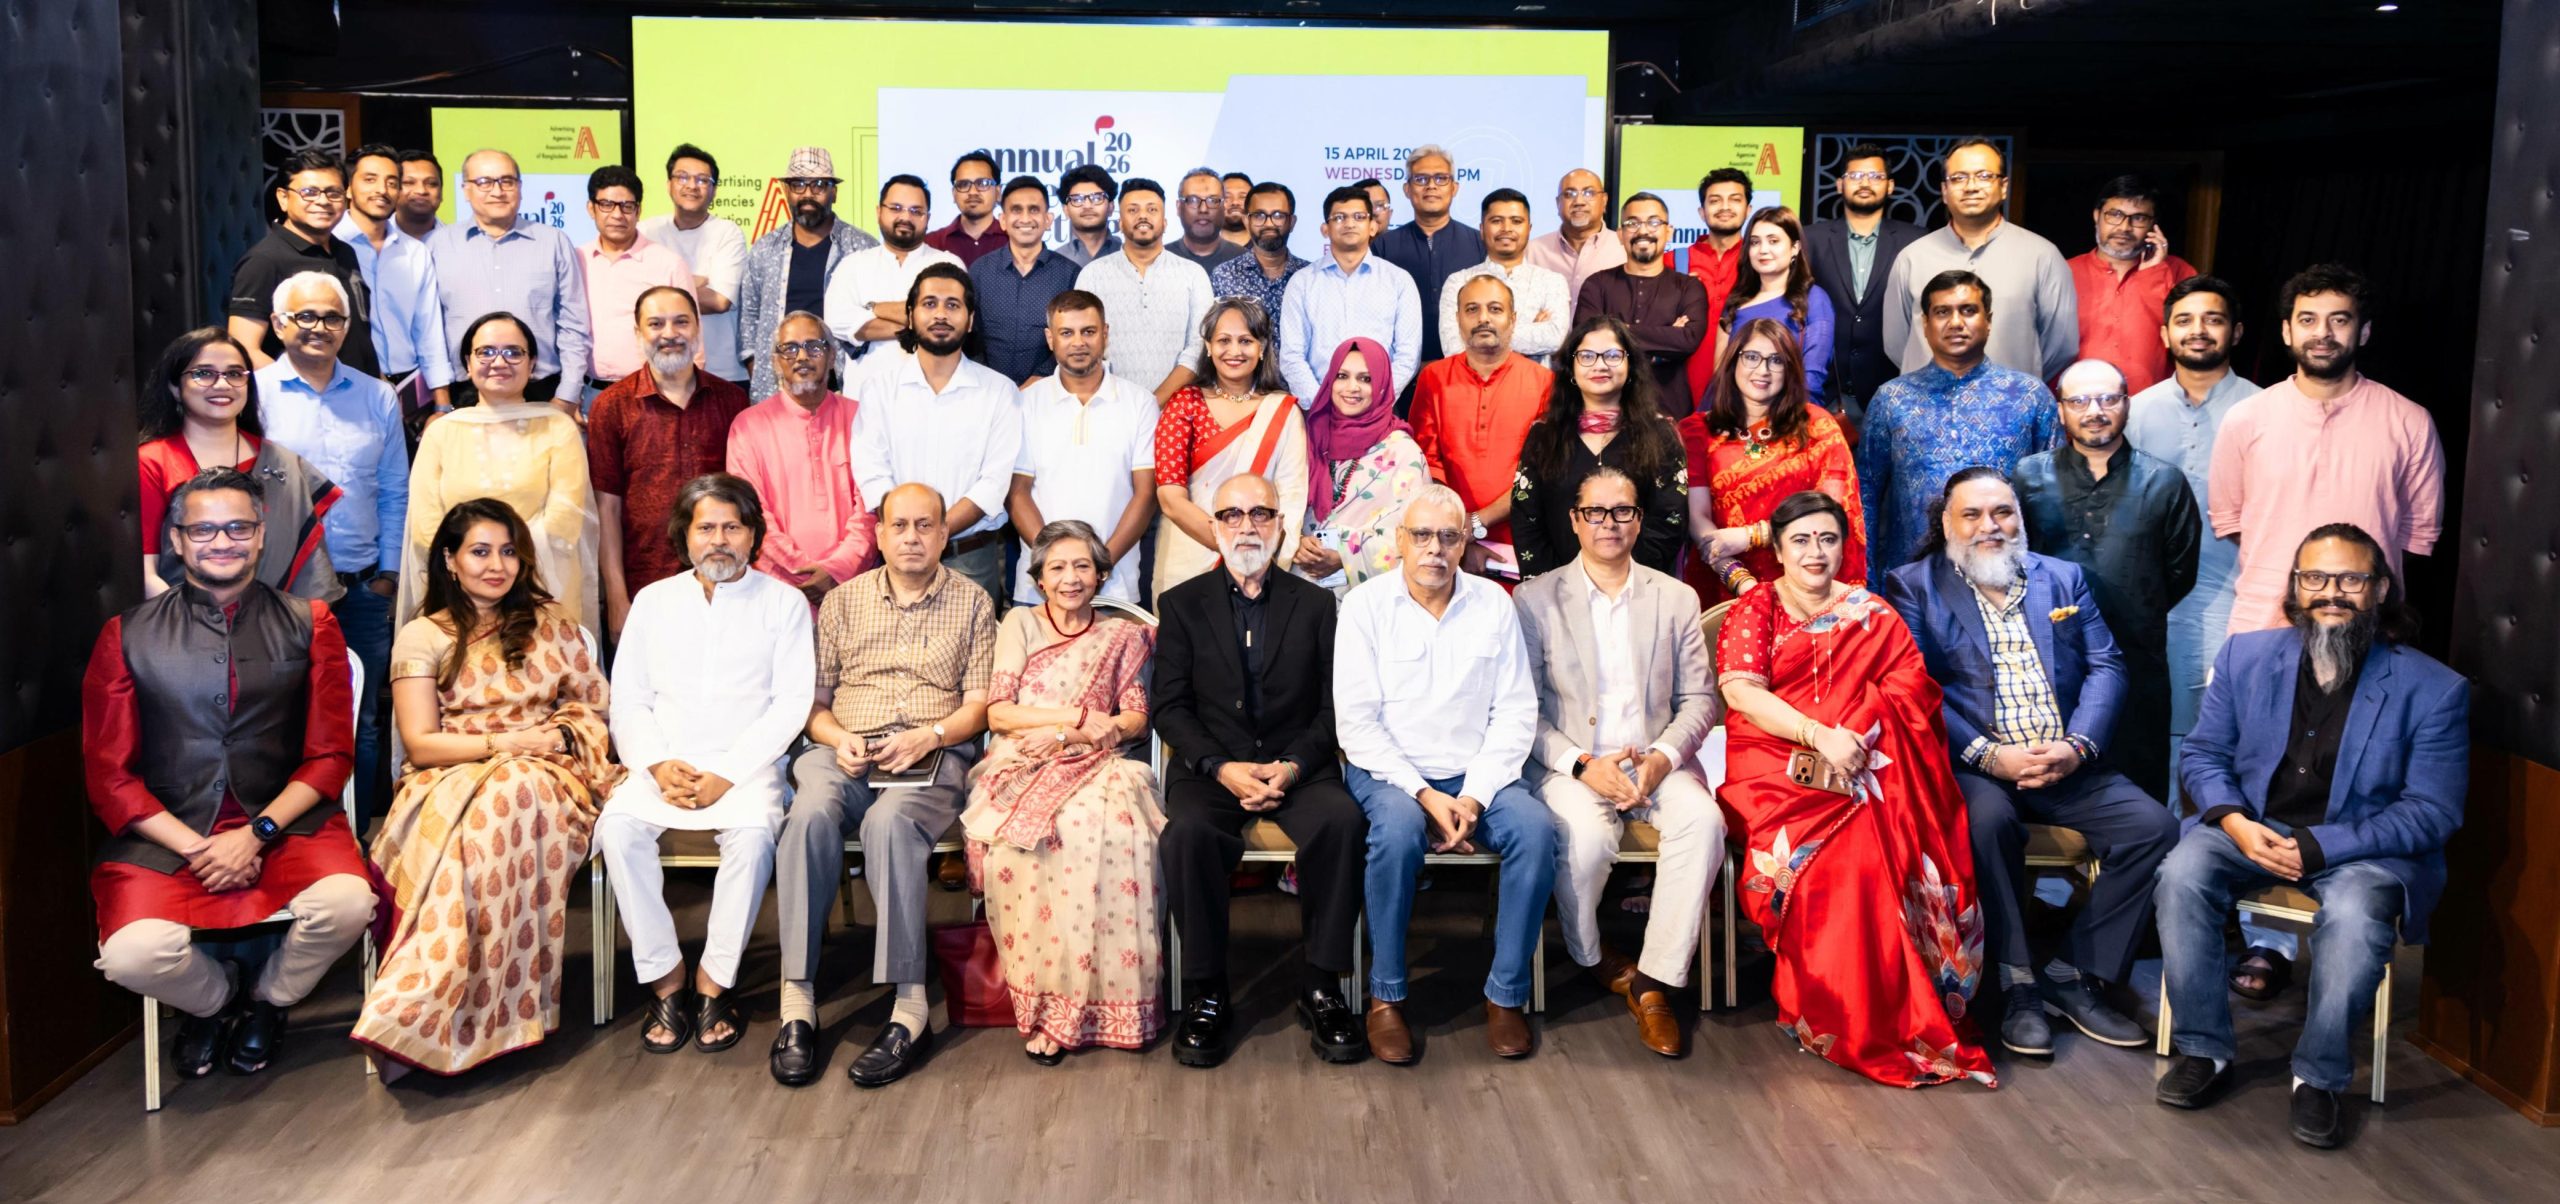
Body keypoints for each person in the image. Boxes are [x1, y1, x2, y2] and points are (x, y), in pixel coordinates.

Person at [2153, 523, 2467, 1148]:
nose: (2332, 592)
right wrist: (2235, 822)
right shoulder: (2245, 656)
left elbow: (2432, 811)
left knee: (2354, 916)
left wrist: (2322, 847)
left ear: (2380, 589)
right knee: (2181, 874)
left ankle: (2318, 1076)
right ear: (2296, 587)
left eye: (2350, 579)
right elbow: (2204, 755)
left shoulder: (2434, 689)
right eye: (2316, 578)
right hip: (2251, 826)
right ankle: (2204, 1049)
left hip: (2361, 849)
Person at [83, 467, 375, 1080]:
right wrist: (197, 848)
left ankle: (269, 998)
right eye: (204, 530)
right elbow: (111, 776)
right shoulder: (127, 635)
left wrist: (257, 833)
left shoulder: (310, 621)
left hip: (285, 825)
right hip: (170, 833)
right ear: (178, 539)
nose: (222, 541)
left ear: (261, 535)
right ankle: (217, 1002)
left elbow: (329, 756)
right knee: (131, 956)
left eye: (238, 527)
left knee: (349, 906)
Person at [1884, 467, 2177, 1059]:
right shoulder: (1913, 584)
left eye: (2002, 513)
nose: (1989, 526)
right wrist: (1991, 756)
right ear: (1946, 523)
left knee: (2156, 828)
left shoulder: (2063, 579)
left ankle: (2073, 972)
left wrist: (2078, 747)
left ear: (2019, 518)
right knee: (1986, 823)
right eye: (1972, 515)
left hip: (2065, 760)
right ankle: (2016, 982)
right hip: (1977, 765)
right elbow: (1911, 686)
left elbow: (2108, 666)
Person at [1713, 489, 1995, 1088]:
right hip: (1773, 768)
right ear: (1778, 550)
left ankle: (1893, 1018)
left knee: (1878, 843)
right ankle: (1834, 1012)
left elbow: (1911, 689)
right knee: (1839, 860)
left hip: (1868, 761)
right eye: (1800, 540)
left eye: (1827, 539)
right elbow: (1741, 694)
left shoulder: (1873, 612)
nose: (1815, 552)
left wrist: (1859, 732)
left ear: (1844, 546)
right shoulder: (1757, 607)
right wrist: (1819, 735)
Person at [358, 498, 623, 1077]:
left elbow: (592, 711)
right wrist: (507, 744)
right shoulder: (422, 636)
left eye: (508, 552)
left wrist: (551, 738)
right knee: (492, 807)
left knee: (511, 792)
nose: (496, 565)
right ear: (449, 560)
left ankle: (450, 1013)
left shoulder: (552, 624)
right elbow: (421, 744)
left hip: (549, 776)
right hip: (448, 776)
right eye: (480, 552)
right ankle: (427, 1006)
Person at [769, 484, 996, 1089]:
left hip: (931, 752)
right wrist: (837, 735)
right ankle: (797, 999)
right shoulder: (843, 602)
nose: (912, 538)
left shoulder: (974, 602)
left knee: (889, 824)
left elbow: (979, 707)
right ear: (879, 535)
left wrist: (931, 735)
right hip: (846, 750)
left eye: (925, 526)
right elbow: (814, 706)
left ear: (944, 535)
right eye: (900, 525)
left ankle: (909, 1006)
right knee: (808, 814)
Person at [1335, 485, 1557, 1064]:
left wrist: (1475, 796)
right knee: (1395, 834)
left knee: (1536, 833)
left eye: (1449, 536)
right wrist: (1425, 794)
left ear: (1464, 543)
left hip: (1479, 773)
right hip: (1391, 775)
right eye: (1422, 535)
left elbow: (1515, 712)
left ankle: (1505, 993)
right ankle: (1386, 996)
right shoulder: (1364, 607)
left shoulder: (1494, 605)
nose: (1435, 548)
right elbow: (1356, 725)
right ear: (1400, 541)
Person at [1157, 474, 1370, 1067]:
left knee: (1343, 824)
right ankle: (1206, 993)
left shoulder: (1317, 604)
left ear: (1281, 525)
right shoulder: (1181, 604)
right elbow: (1169, 708)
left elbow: (1335, 706)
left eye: (1260, 514)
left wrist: (1294, 766)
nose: (1246, 526)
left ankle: (1322, 986)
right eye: (1232, 514)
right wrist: (1221, 767)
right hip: (1213, 769)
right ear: (1214, 526)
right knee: (1187, 835)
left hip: (1297, 765)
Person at [595, 475, 811, 1054]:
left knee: (753, 836)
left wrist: (728, 774)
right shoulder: (653, 601)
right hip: (663, 762)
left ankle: (715, 979)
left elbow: (791, 705)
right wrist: (656, 763)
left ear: (753, 535)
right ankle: (665, 976)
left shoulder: (784, 603)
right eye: (706, 527)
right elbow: (629, 700)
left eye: (732, 527)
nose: (719, 540)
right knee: (618, 829)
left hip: (747, 766)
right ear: (684, 536)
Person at [1515, 466, 1724, 1057]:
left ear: (1639, 520)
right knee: (1584, 839)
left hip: (1656, 759)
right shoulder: (1534, 599)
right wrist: (1583, 765)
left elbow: (1700, 699)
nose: (1609, 523)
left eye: (1623, 511)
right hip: (1572, 764)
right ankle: (1590, 955)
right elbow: (1522, 709)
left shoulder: (1676, 597)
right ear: (1575, 520)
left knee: (1703, 823)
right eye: (1595, 512)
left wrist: (1663, 757)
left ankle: (1654, 982)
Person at [961, 519, 1164, 1062]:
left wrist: (1086, 734)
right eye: (1057, 568)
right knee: (1032, 839)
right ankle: (1051, 1006)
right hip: (1021, 760)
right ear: (1039, 580)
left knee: (1116, 828)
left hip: (1097, 760)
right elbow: (1000, 714)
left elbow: (1136, 719)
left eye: (1082, 566)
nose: (1070, 578)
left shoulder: (1122, 635)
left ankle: (1114, 1005)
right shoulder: (1020, 624)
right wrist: (1072, 720)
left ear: (1101, 576)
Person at [2208, 263, 2444, 639]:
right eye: (2308, 320)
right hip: (2263, 624)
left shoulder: (2409, 421)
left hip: (2367, 630)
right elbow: (2235, 522)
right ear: (2287, 331)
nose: (2322, 333)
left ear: (2363, 331)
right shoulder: (2245, 419)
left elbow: (2415, 536)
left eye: (2339, 320)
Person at [256, 272, 410, 818]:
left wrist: (388, 574)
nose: (319, 327)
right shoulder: (253, 393)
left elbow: (395, 490)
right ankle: (287, 837)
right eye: (305, 316)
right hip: (280, 593)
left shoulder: (377, 395)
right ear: (278, 324)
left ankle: (354, 837)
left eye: (332, 317)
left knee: (360, 720)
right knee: (278, 719)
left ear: (347, 326)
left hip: (362, 589)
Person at [2015, 359, 2201, 802]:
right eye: (2079, 401)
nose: (2094, 411)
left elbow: (2180, 572)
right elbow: (2016, 562)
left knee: (2140, 792)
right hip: (2050, 661)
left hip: (2137, 656)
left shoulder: (2165, 482)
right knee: (2051, 788)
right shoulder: (2028, 476)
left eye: (2107, 399)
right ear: (2061, 410)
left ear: (2127, 404)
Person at [2126, 275, 2257, 801]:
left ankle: (2218, 834)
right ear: (2164, 334)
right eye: (2184, 320)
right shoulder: (2134, 412)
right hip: (2152, 602)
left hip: (2240, 597)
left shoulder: (2266, 410)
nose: (2198, 330)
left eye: (2213, 319)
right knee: (2151, 727)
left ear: (2236, 332)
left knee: (2227, 731)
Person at [398, 312, 600, 634]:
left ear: (532, 364)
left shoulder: (557, 427)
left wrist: (502, 568)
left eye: (513, 352)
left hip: (542, 592)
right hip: (458, 598)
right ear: (468, 363)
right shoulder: (441, 432)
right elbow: (426, 527)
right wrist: (474, 577)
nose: (499, 361)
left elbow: (565, 520)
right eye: (486, 352)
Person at [1857, 270, 2060, 569]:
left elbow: (2052, 498)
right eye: (1942, 312)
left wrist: (2047, 576)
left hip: (2007, 571)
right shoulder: (1892, 399)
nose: (1955, 322)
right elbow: (1866, 496)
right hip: (1913, 575)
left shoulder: (2029, 395)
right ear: (1925, 324)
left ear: (1988, 321)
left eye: (1968, 311)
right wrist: (1869, 580)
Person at [848, 263, 1023, 605]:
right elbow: (872, 472)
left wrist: (933, 534)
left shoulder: (1000, 392)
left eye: (952, 305)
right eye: (929, 304)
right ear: (910, 316)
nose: (940, 314)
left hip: (971, 560)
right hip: (899, 557)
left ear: (970, 321)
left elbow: (994, 483)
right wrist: (912, 534)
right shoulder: (879, 390)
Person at [589, 287, 754, 640]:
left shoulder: (732, 401)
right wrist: (616, 597)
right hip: (643, 586)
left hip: (724, 582)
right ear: (638, 333)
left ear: (697, 329)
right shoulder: (612, 406)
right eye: (656, 324)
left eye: (681, 322)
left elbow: (746, 502)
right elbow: (606, 508)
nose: (670, 334)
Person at [136, 328, 343, 604]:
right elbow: (146, 573)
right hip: (184, 621)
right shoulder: (153, 462)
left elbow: (310, 571)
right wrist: (195, 623)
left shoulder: (282, 462)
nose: (222, 384)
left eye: (234, 374)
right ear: (175, 388)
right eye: (204, 373)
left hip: (280, 622)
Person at [1678, 318, 1866, 602]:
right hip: (1723, 579)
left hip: (1805, 582)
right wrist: (1740, 581)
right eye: (1752, 357)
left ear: (1790, 369)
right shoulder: (1699, 431)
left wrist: (1751, 536)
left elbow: (1833, 513)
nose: (1762, 370)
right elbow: (1698, 517)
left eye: (1776, 360)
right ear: (1734, 360)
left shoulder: (1817, 427)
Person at [1008, 289, 1158, 606]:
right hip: (1039, 589)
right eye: (1067, 333)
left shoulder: (1139, 402)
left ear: (1105, 334)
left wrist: (1099, 567)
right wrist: (1055, 567)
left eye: (1088, 331)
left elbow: (1145, 495)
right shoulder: (1025, 402)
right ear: (1050, 338)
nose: (1078, 342)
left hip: (1115, 588)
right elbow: (1017, 493)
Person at [1882, 139, 2078, 382]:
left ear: (2003, 187)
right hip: (1926, 402)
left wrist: (2015, 386)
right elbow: (1896, 344)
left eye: (1984, 176)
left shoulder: (2042, 256)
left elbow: (2061, 346)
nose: (1971, 187)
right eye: (1959, 178)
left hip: (2010, 402)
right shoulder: (1912, 257)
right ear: (1944, 191)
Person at [1152, 297, 1310, 597]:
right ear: (1208, 347)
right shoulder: (1185, 404)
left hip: (1260, 564)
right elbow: (1170, 499)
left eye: (1246, 341)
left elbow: (1291, 494)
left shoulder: (1282, 410)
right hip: (1188, 559)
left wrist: (1254, 553)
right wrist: (1234, 545)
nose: (1234, 351)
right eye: (1224, 340)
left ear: (1262, 348)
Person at [1509, 315, 1687, 579]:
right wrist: (1554, 589)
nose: (1600, 365)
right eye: (1587, 356)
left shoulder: (1660, 435)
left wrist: (1619, 583)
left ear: (1630, 366)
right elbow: (1527, 522)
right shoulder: (1543, 437)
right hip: (1557, 593)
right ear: (1571, 368)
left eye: (1613, 355)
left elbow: (1669, 521)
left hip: (1638, 589)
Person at [726, 311, 876, 603]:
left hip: (856, 588)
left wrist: (837, 569)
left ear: (832, 357)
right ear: (775, 361)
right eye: (790, 348)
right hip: (775, 592)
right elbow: (751, 513)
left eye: (814, 347)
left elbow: (872, 507)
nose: (802, 357)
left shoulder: (862, 417)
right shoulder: (748, 427)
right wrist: (802, 574)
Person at [425, 149, 590, 410]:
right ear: (465, 189)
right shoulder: (439, 245)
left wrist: (567, 394)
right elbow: (428, 330)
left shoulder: (553, 242)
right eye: (484, 182)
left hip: (541, 390)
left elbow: (574, 325)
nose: (497, 191)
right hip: (465, 393)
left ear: (520, 187)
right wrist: (442, 400)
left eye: (507, 181)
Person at [1411, 274, 1551, 577]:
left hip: (1522, 539)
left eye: (1495, 309)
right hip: (1446, 543)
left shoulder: (1543, 382)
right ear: (1458, 319)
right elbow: (1425, 465)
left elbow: (1542, 473)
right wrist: (1456, 532)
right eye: (1472, 309)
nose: (1483, 318)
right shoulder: (1434, 378)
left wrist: (1476, 524)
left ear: (1513, 319)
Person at [736, 147, 881, 400]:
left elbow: (876, 314)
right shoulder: (765, 248)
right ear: (786, 191)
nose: (807, 194)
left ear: (834, 193)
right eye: (798, 185)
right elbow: (749, 314)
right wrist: (757, 369)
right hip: (778, 389)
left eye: (819, 185)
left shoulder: (862, 247)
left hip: (844, 386)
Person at [226, 149, 379, 376]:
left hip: (359, 391)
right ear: (283, 198)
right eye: (309, 192)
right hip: (307, 396)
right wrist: (302, 390)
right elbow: (244, 349)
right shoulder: (264, 260)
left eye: (333, 193)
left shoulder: (345, 252)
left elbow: (359, 336)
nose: (323, 201)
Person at [1803, 144, 1924, 429]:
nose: (1865, 183)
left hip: (1893, 389)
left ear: (1890, 186)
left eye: (1875, 176)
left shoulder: (1915, 241)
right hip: (1826, 392)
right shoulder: (1811, 239)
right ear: (1839, 184)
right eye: (1855, 176)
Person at [1292, 337, 1428, 589]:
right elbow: (1280, 505)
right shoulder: (1307, 438)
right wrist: (1294, 541)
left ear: (1382, 385)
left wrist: (1346, 557)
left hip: (1368, 596)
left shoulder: (1403, 452)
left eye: (1366, 379)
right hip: (1301, 587)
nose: (1352, 387)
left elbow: (1417, 535)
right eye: (1342, 376)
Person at [1074, 178, 1215, 404]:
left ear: (1165, 222)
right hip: (1110, 407)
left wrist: (1154, 402)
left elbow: (1200, 347)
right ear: (1120, 223)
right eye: (1133, 210)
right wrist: (1122, 406)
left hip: (1178, 409)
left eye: (1152, 209)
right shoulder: (1092, 275)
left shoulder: (1193, 274)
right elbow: (1084, 346)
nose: (1143, 216)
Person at [1279, 185, 1423, 405]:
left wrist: (1375, 401)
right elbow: (1292, 356)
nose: (1349, 223)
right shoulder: (1302, 282)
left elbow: (1408, 356)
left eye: (1359, 217)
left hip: (1379, 410)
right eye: (1339, 217)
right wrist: (1322, 404)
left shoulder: (1399, 281)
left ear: (1373, 227)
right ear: (1325, 229)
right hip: (1319, 410)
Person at [335, 143, 454, 405]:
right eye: (370, 179)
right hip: (345, 385)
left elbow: (429, 332)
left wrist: (442, 402)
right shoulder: (330, 245)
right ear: (348, 188)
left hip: (411, 388)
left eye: (392, 183)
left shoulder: (415, 252)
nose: (382, 189)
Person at [1573, 193, 1709, 417]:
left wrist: (1618, 331)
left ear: (1669, 232)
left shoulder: (1689, 287)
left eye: (1654, 222)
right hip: (1606, 413)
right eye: (1632, 223)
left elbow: (1688, 340)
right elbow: (1586, 341)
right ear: (1620, 235)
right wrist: (1665, 339)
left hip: (1669, 412)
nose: (1643, 231)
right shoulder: (1597, 284)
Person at [2067, 175, 2197, 395]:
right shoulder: (2065, 271)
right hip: (2079, 403)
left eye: (2138, 218)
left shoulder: (2179, 272)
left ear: (2153, 224)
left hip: (2154, 403)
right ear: (2097, 215)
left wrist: (2153, 275)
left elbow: (2191, 342)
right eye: (2115, 215)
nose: (2124, 227)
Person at [580, 165, 698, 394]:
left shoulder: (668, 264)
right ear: (591, 208)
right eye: (606, 205)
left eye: (627, 206)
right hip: (589, 391)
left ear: (638, 210)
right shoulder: (576, 260)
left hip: (653, 393)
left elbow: (693, 337)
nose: (617, 215)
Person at [639, 143, 750, 384]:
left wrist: (660, 290)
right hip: (660, 371)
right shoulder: (646, 231)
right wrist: (697, 281)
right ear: (669, 184)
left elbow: (719, 301)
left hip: (721, 371)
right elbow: (636, 296)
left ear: (714, 190)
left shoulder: (727, 232)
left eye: (702, 180)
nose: (691, 185)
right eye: (682, 177)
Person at [826, 174, 964, 361]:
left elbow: (955, 321)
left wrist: (873, 308)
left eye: (916, 211)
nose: (905, 217)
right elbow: (836, 321)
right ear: (878, 212)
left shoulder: (949, 265)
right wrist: (918, 328)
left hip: (933, 379)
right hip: (868, 380)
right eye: (896, 208)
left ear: (928, 218)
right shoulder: (852, 265)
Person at [1374, 145, 1484, 369]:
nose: (1431, 186)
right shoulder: (1383, 247)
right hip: (1399, 371)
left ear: (1454, 188)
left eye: (1441, 178)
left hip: (1468, 369)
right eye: (1421, 179)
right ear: (1407, 189)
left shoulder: (1479, 243)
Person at [1436, 188, 1570, 368]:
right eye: (1496, 221)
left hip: (1535, 385)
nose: (1506, 229)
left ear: (1529, 229)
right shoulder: (1459, 281)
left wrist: (1480, 335)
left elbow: (1554, 338)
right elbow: (1453, 348)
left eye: (1516, 221)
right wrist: (1531, 333)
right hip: (1471, 383)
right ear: (1482, 229)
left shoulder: (1552, 282)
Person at [1715, 206, 1834, 403]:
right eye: (1755, 242)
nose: (1763, 250)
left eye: (1773, 241)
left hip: (1792, 412)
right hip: (1734, 412)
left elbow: (1813, 375)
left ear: (1794, 248)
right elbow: (1721, 374)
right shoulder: (1737, 301)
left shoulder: (1813, 299)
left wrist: (1791, 417)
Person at [969, 175, 1080, 383]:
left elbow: (1075, 338)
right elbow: (970, 336)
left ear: (1048, 220)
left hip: (1049, 390)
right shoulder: (980, 271)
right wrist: (988, 381)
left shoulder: (1069, 274)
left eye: (1034, 210)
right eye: (1016, 210)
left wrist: (1040, 378)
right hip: (986, 388)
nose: (1026, 218)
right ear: (1003, 220)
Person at [1671, 167, 1753, 407]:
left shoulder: (1760, 262)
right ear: (1701, 212)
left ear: (1748, 210)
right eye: (1715, 200)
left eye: (1735, 199)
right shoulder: (1674, 261)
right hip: (1681, 392)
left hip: (1746, 391)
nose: (1725, 207)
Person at [1207, 181, 1308, 337]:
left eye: (1278, 215)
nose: (1269, 224)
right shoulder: (1224, 275)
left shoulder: (1309, 276)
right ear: (1246, 221)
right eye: (1259, 215)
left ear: (1292, 222)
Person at [1526, 168, 1625, 299]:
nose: (1579, 202)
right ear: (1558, 203)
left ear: (1604, 200)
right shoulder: (1532, 251)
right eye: (1569, 194)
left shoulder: (1623, 250)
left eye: (1589, 193)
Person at [922, 149, 1007, 266]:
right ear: (954, 194)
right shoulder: (931, 243)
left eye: (983, 183)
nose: (973, 192)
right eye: (963, 184)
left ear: (998, 192)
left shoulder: (1013, 240)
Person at [1169, 167, 1247, 272]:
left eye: (1213, 200)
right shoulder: (1159, 260)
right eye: (1193, 200)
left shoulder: (1246, 261)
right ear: (1178, 207)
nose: (1203, 209)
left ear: (1224, 206)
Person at [1054, 164, 1122, 268]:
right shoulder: (1055, 261)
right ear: (1066, 210)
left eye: (1097, 198)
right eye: (1077, 200)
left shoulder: (1128, 255)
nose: (1087, 206)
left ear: (1111, 207)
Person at [394, 150, 443, 242]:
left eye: (431, 183)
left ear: (441, 192)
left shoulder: (457, 241)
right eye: (409, 182)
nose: (421, 191)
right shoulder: (374, 239)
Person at [1219, 171, 1254, 247]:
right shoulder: (1200, 249)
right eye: (1227, 197)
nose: (1235, 202)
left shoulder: (1268, 250)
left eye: (1242, 197)